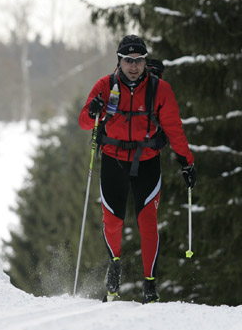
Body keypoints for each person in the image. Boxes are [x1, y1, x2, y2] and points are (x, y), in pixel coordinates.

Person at [79, 34, 196, 303]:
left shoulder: (160, 89)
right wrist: (94, 110)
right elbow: (85, 122)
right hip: (112, 159)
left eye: (139, 60)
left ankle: (150, 284)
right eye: (128, 60)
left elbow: (174, 129)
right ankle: (115, 266)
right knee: (112, 221)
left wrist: (187, 161)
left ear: (145, 61)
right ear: (119, 61)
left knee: (148, 224)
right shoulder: (105, 85)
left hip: (147, 161)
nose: (134, 66)